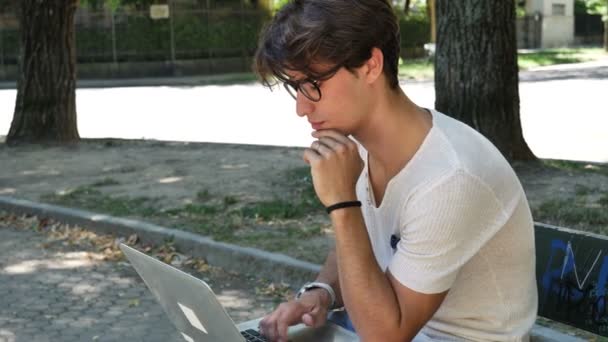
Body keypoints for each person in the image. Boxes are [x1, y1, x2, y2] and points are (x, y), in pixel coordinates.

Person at [253, 0, 538, 341]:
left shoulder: (450, 177)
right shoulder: (357, 148)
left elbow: (385, 336)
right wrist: (321, 292)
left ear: (371, 66)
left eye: (314, 83)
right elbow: (361, 247)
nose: (302, 107)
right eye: (296, 87)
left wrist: (342, 205)